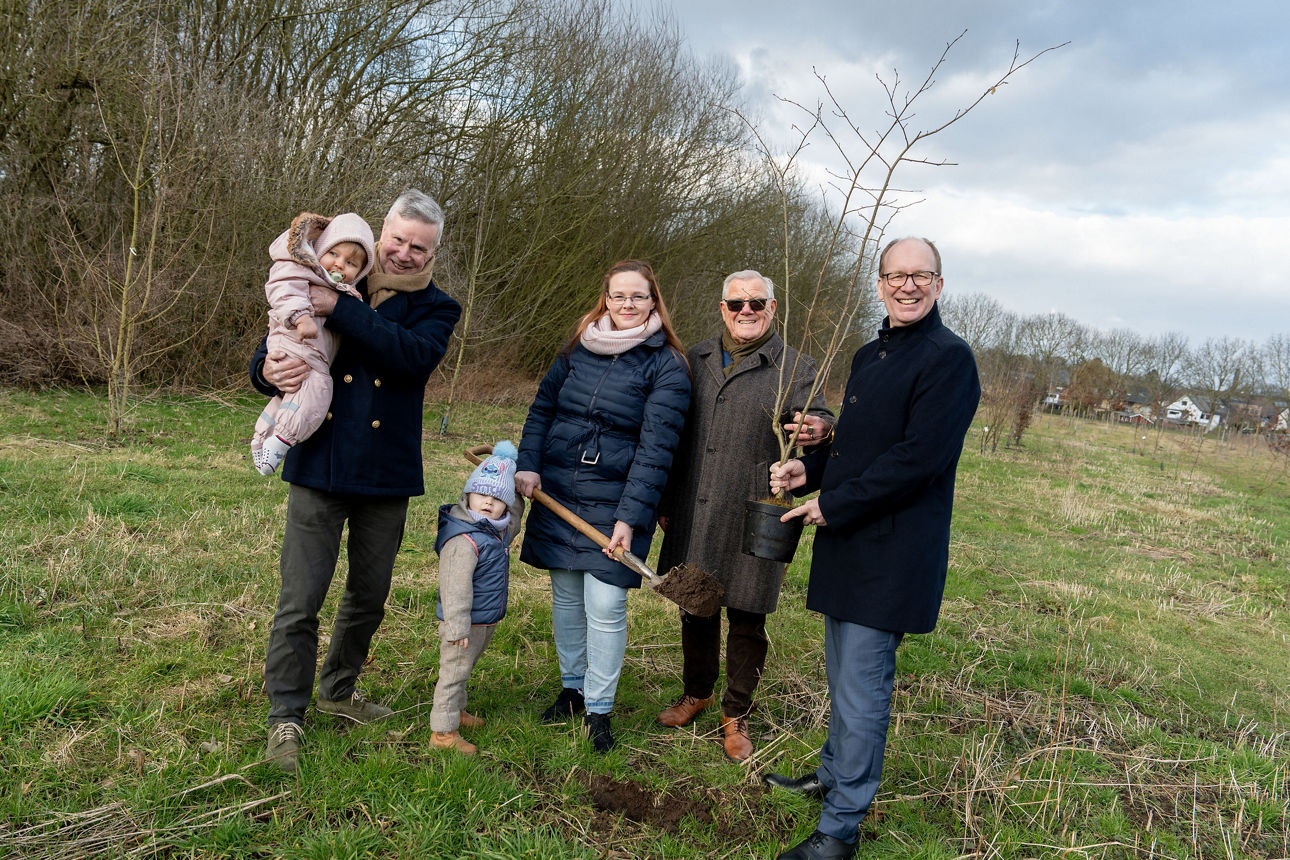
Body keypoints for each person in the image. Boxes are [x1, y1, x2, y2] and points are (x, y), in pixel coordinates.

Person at [764, 237, 980, 860]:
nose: (907, 286)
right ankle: (833, 775)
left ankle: (840, 828)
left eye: (920, 275)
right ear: (879, 283)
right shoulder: (870, 352)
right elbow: (861, 447)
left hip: (891, 553)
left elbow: (919, 459)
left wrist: (834, 503)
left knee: (863, 691)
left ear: (939, 284)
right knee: (843, 679)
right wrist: (814, 470)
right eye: (895, 275)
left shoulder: (949, 359)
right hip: (851, 544)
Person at [251, 190, 461, 773]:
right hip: (320, 464)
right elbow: (282, 334)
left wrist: (341, 309)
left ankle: (338, 691)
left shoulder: (437, 308)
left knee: (368, 598)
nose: (404, 253)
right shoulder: (334, 268)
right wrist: (265, 370)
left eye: (419, 247)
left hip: (387, 475)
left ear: (433, 251)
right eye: (396, 240)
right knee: (300, 600)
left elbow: (410, 358)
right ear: (381, 232)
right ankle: (285, 717)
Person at [654, 269, 834, 762]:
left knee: (748, 617)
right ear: (722, 309)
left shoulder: (796, 367)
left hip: (757, 508)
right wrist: (667, 503)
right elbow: (672, 434)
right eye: (737, 304)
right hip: (696, 502)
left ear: (773, 309)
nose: (747, 312)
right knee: (695, 603)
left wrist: (819, 427)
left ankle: (736, 715)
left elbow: (822, 422)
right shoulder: (695, 358)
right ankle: (697, 693)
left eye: (757, 303)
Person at [514, 260, 691, 754]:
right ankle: (572, 689)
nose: (627, 305)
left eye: (638, 297)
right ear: (605, 299)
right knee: (567, 595)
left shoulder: (667, 365)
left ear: (654, 301)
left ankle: (599, 709)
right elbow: (542, 408)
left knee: (607, 603)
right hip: (559, 490)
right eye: (618, 296)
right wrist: (528, 464)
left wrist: (629, 519)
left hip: (617, 498)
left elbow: (659, 449)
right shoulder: (577, 347)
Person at [251, 211, 376, 476]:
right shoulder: (302, 271)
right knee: (318, 389)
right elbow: (283, 289)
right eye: (333, 254)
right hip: (299, 345)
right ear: (319, 249)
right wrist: (302, 317)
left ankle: (262, 437)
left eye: (351, 263)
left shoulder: (341, 290)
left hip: (309, 352)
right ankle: (282, 441)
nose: (340, 264)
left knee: (289, 395)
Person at [429, 441, 525, 756]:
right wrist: (456, 629)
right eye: (482, 494)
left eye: (498, 498)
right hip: (462, 624)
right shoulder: (464, 539)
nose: (488, 502)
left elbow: (513, 523)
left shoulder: (494, 531)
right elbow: (453, 589)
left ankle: (456, 711)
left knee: (465, 669)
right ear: (468, 495)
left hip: (483, 620)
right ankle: (443, 731)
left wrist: (519, 496)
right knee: (453, 673)